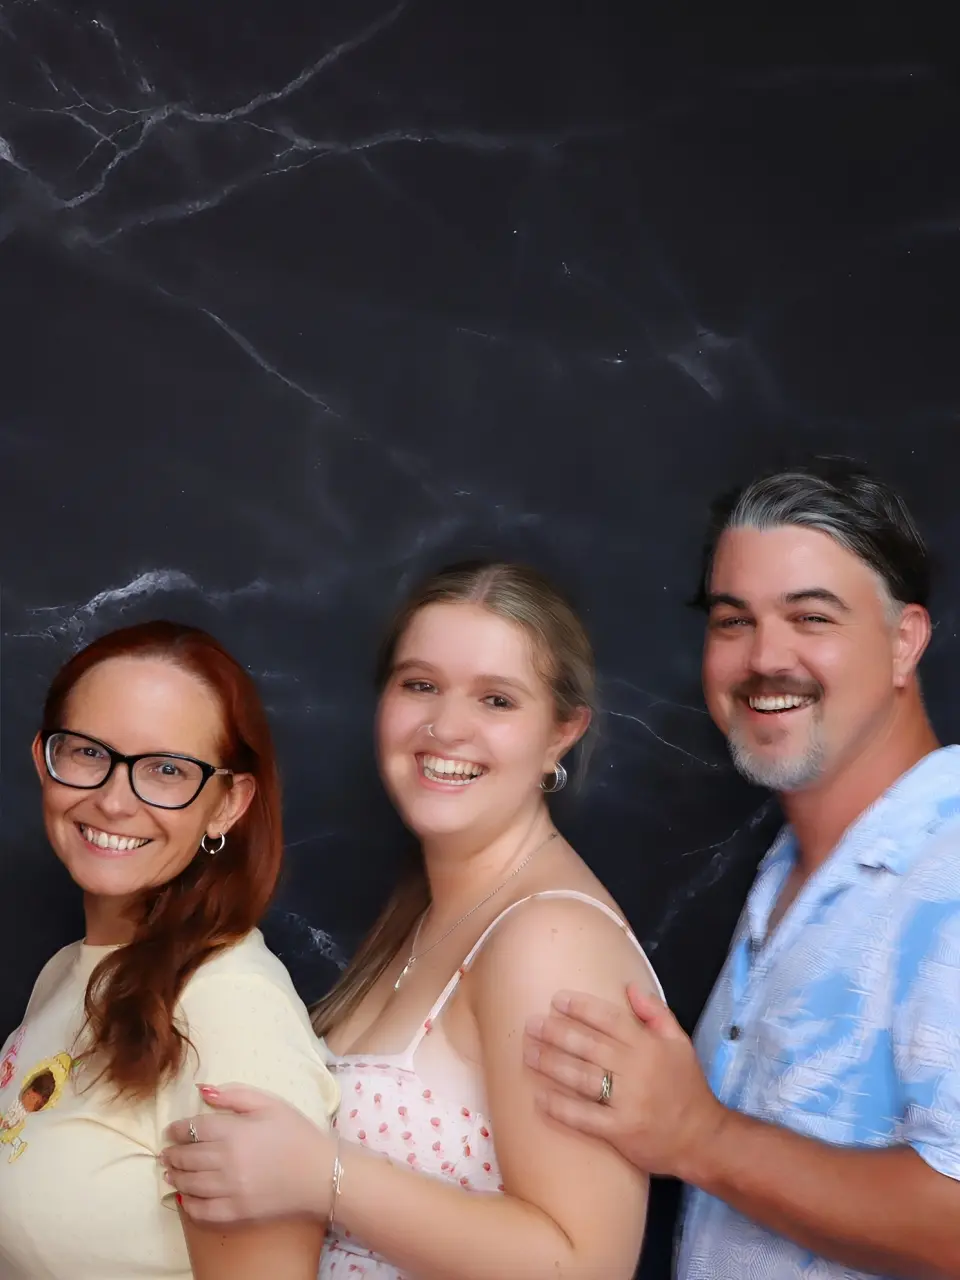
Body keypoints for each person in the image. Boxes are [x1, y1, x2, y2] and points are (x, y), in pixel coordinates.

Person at [162, 560, 664, 1279]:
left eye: (496, 699)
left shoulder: (550, 939)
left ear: (561, 732)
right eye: (420, 684)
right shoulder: (426, 910)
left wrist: (323, 1174)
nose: (445, 726)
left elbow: (584, 1263)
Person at [523, 458, 960, 1279]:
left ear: (905, 641)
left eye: (811, 618)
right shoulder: (787, 871)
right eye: (733, 621)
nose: (765, 658)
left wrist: (699, 1137)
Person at [0, 621, 338, 1280]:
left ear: (227, 804)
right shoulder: (67, 972)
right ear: (44, 756)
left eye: (165, 769)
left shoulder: (231, 1009)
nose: (114, 800)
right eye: (89, 753)